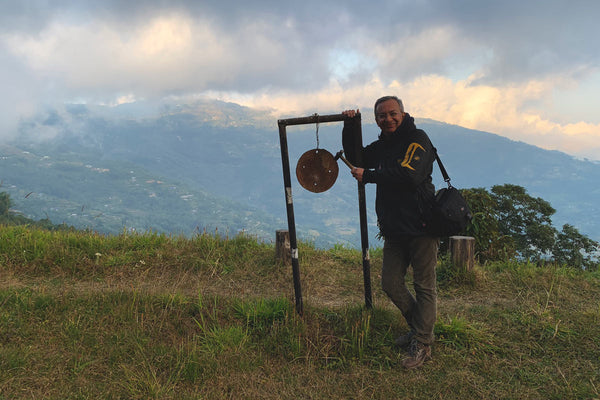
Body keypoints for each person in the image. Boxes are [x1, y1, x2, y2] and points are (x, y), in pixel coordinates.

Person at [342, 96, 439, 369]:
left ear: (403, 113)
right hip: (396, 228)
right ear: (377, 120)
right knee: (390, 283)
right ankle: (420, 329)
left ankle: (422, 344)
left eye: (392, 113)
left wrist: (370, 175)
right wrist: (350, 126)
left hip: (422, 226)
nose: (388, 119)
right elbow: (357, 158)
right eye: (382, 116)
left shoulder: (417, 139)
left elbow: (409, 174)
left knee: (424, 286)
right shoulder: (384, 145)